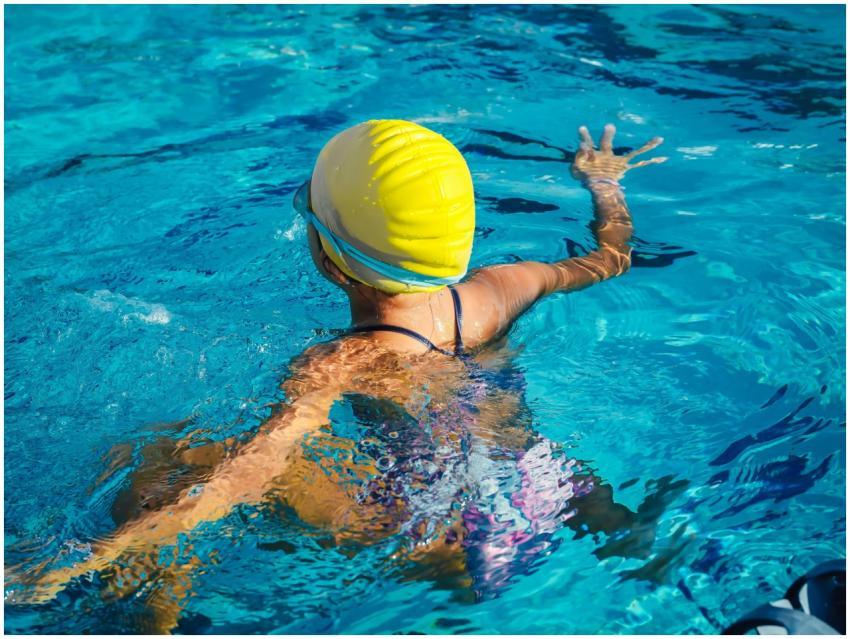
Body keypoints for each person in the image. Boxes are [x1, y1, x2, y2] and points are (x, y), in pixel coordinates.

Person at [10, 120, 667, 630]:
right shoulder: (501, 288)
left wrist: (86, 554)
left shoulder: (340, 361)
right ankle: (631, 536)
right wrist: (604, 183)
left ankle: (138, 617)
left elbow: (256, 466)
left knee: (164, 454)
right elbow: (610, 257)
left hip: (444, 542)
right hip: (551, 496)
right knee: (521, 450)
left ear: (330, 257)